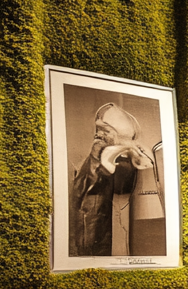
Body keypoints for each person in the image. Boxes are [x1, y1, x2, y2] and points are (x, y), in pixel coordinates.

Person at [69, 102, 164, 257]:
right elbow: (82, 191)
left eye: (105, 130)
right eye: (99, 130)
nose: (99, 134)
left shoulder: (131, 158)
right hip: (91, 235)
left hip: (117, 230)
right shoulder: (96, 157)